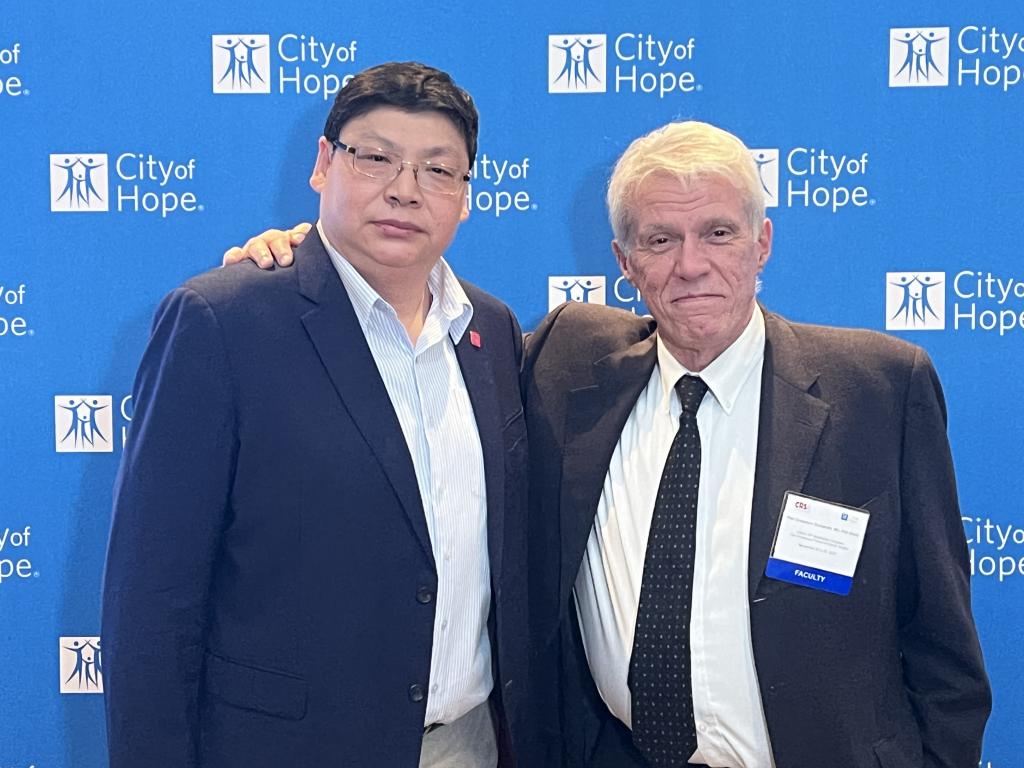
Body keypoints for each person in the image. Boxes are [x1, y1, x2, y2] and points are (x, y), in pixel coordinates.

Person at [228, 120, 990, 768]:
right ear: (625, 264)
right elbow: (412, 337)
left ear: (761, 243)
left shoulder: (878, 387)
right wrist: (320, 265)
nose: (690, 264)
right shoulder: (568, 362)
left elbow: (943, 644)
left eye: (718, 233)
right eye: (659, 239)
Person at [102, 62, 530, 768]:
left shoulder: (491, 329)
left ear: (465, 197)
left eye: (437, 170)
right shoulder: (223, 322)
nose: (404, 189)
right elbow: (153, 596)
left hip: (469, 743)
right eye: (376, 158)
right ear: (324, 164)